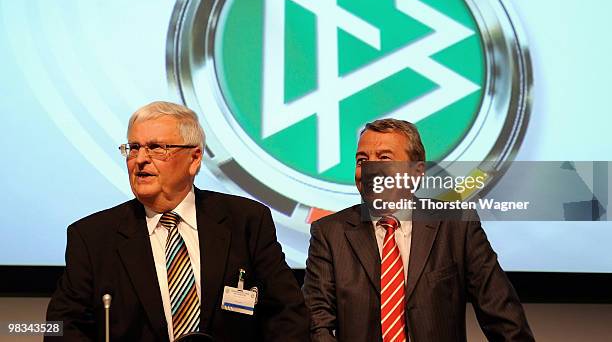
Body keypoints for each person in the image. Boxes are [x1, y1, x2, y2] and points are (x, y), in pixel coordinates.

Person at [46, 101, 309, 342]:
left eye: (156, 148)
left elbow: (288, 314)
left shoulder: (246, 221)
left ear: (194, 159)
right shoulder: (93, 237)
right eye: (133, 148)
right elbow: (60, 327)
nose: (140, 159)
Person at [302, 119, 534, 342]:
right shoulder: (330, 233)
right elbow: (316, 323)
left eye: (384, 158)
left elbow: (504, 319)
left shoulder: (456, 225)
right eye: (362, 160)